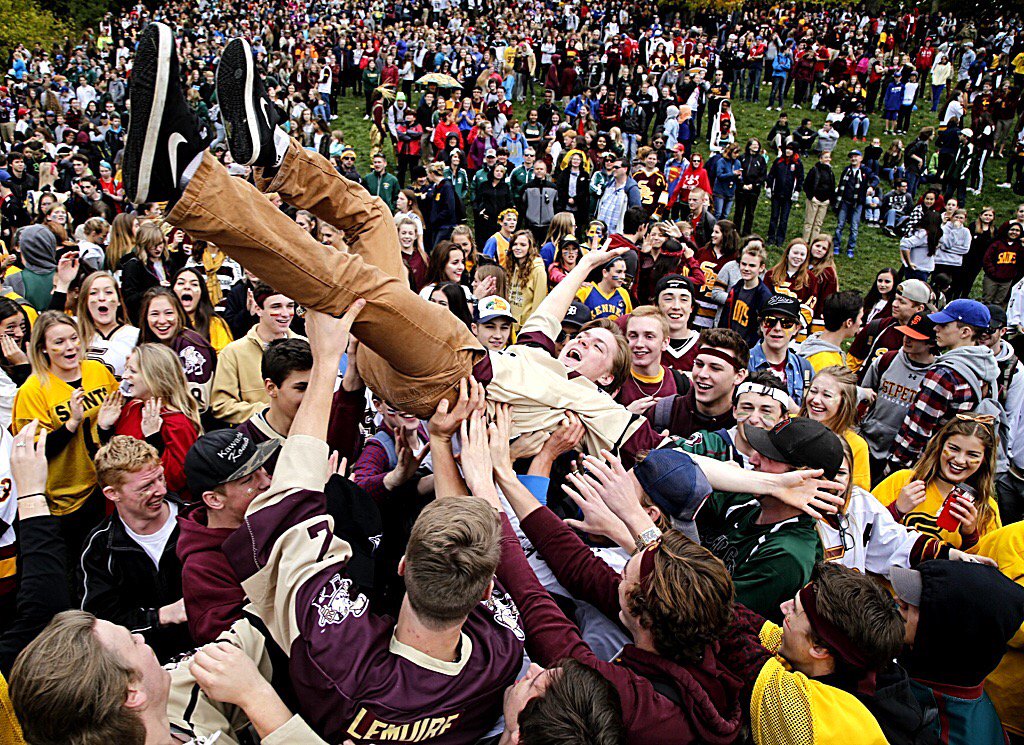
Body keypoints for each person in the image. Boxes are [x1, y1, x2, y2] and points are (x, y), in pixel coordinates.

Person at [698, 417, 843, 621]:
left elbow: (703, 613)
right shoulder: (748, 499)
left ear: (804, 479)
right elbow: (669, 464)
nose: (753, 459)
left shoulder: (787, 555)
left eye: (769, 456)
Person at [12, 311, 119, 560]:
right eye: (59, 342)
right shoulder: (33, 389)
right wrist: (71, 423)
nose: (70, 347)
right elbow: (32, 452)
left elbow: (115, 417)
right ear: (44, 348)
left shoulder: (97, 371)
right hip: (62, 497)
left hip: (102, 483)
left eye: (73, 338)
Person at [80, 436, 192, 662]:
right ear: (112, 494)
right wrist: (161, 616)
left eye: (160, 478)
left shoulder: (195, 521)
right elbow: (101, 625)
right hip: (147, 669)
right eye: (146, 487)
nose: (160, 490)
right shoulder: (100, 549)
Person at [891, 562, 1024, 744]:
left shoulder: (943, 731)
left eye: (916, 602)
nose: (899, 600)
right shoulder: (950, 680)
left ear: (948, 631)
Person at [891, 300, 999, 471]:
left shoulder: (944, 375)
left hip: (924, 465)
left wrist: (895, 466)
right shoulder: (986, 367)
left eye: (944, 325)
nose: (936, 329)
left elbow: (917, 429)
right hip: (953, 465)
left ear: (965, 332)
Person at [876, 416, 1003, 550]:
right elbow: (861, 530)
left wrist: (970, 535)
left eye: (972, 455)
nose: (960, 460)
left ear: (984, 459)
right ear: (940, 446)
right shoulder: (903, 481)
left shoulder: (986, 509)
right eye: (954, 448)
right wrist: (895, 510)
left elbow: (985, 564)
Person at [210, 282, 303, 425]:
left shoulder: (307, 345)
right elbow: (222, 406)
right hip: (256, 437)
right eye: (276, 306)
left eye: (290, 306)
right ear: (258, 309)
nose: (285, 313)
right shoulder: (233, 352)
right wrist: (270, 412)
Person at [860, 313, 938, 483]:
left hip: (899, 454)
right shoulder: (886, 360)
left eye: (914, 338)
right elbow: (864, 395)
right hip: (867, 443)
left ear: (931, 343)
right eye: (906, 334)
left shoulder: (937, 376)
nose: (907, 340)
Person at [652, 329, 748, 438]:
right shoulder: (664, 413)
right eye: (699, 364)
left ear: (739, 376)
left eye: (715, 368)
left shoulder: (746, 424)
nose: (702, 374)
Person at [137, 288, 218, 416]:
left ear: (178, 314)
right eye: (154, 314)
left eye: (168, 313)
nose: (162, 320)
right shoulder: (145, 345)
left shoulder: (191, 345)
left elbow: (199, 403)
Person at [799, 366, 871, 491]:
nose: (816, 400)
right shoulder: (789, 424)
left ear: (845, 402)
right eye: (813, 391)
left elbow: (856, 494)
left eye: (826, 395)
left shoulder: (857, 446)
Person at [848, 279, 933, 376]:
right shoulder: (877, 327)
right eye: (895, 299)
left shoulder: (926, 337)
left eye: (902, 302)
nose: (894, 304)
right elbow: (850, 367)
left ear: (919, 308)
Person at [617, 306, 689, 411]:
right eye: (633, 336)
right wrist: (626, 416)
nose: (639, 344)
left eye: (649, 336)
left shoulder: (681, 383)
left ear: (665, 343)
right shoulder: (612, 381)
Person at [748, 294, 814, 406]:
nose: (777, 328)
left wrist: (793, 411)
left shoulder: (805, 368)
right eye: (770, 321)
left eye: (786, 323)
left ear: (796, 329)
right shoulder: (744, 362)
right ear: (761, 325)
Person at [76, 271, 140, 379]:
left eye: (108, 292)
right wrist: (63, 284)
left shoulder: (136, 335)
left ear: (119, 300)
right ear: (85, 302)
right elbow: (49, 326)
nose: (101, 298)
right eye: (93, 293)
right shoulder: (75, 332)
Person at [720, 241, 773, 348]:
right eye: (744, 264)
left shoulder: (764, 296)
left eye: (752, 266)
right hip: (728, 344)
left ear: (761, 268)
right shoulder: (736, 289)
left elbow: (764, 330)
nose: (746, 269)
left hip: (748, 349)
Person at [172, 266, 234, 353]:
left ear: (202, 292)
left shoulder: (214, 323)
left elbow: (225, 357)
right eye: (181, 283)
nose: (187, 287)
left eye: (194, 284)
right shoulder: (166, 323)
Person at [798, 291, 864, 372]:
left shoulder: (812, 343)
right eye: (860, 318)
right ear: (849, 322)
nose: (861, 322)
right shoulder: (826, 364)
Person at [503, 230, 548, 330]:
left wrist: (530, 327)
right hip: (509, 324)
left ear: (530, 247)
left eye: (523, 245)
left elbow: (538, 303)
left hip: (526, 326)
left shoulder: (538, 270)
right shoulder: (511, 267)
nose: (518, 248)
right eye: (515, 244)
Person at [832, 149, 871, 259]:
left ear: (861, 158)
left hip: (857, 203)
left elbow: (875, 179)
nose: (853, 159)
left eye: (856, 156)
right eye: (851, 157)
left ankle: (850, 248)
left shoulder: (865, 171)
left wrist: (871, 186)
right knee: (840, 225)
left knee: (854, 227)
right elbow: (841, 185)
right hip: (844, 201)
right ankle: (836, 245)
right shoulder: (846, 170)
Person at [765, 142, 803, 247]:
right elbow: (771, 174)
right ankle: (771, 237)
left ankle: (780, 239)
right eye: (787, 148)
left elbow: (800, 178)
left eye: (791, 149)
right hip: (776, 193)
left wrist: (797, 191)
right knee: (774, 217)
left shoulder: (797, 163)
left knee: (784, 219)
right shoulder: (779, 161)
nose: (788, 151)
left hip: (788, 195)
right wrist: (769, 187)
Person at [575, 256, 632, 321]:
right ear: (605, 272)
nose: (623, 277)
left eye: (624, 272)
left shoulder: (623, 293)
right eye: (618, 272)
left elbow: (627, 321)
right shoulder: (585, 291)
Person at [802, 151, 835, 241]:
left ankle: (813, 242)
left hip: (824, 201)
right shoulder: (814, 170)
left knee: (818, 224)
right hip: (814, 200)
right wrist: (811, 197)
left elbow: (832, 186)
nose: (828, 159)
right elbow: (806, 185)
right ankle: (805, 242)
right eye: (826, 157)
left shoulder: (830, 172)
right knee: (809, 223)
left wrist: (829, 199)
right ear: (821, 159)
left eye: (829, 157)